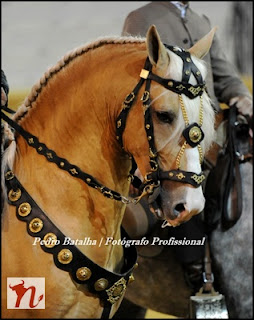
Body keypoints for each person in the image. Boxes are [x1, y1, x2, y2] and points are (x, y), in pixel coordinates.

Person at [121, 1, 253, 292]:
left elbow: (224, 73)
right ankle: (199, 274)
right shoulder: (141, 18)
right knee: (187, 178)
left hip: (211, 124)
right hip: (174, 132)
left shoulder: (201, 20)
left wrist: (243, 97)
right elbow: (137, 79)